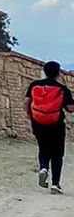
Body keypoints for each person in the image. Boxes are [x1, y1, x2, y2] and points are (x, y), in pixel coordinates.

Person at [28, 60, 73, 192]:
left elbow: (27, 102)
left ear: (44, 71)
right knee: (57, 154)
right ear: (58, 73)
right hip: (56, 124)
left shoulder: (34, 85)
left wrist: (31, 116)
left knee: (43, 148)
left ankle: (43, 167)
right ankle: (55, 184)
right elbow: (70, 108)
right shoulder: (63, 89)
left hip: (38, 123)